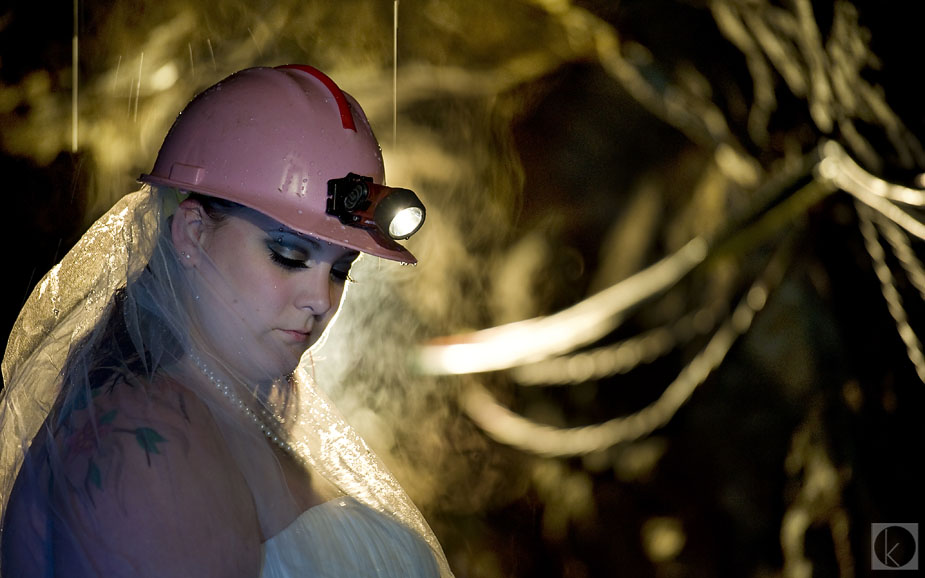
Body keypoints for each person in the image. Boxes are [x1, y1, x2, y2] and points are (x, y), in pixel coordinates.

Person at [0, 64, 451, 577]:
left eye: (342, 269)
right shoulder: (142, 443)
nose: (321, 299)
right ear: (192, 233)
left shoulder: (232, 413)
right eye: (288, 255)